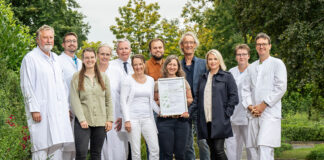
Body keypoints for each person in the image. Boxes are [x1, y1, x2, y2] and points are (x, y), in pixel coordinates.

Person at [20, 25, 74, 159]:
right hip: (41, 111)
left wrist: (66, 107)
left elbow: (63, 86)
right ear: (38, 40)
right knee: (41, 147)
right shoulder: (31, 58)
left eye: (51, 37)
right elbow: (26, 85)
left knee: (57, 146)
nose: (49, 40)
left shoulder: (55, 59)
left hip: (57, 111)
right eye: (45, 37)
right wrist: (34, 109)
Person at [241, 33, 287, 160]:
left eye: (264, 44)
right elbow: (245, 90)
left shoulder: (277, 64)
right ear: (256, 47)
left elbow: (281, 87)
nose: (261, 46)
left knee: (265, 147)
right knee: (253, 149)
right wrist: (250, 106)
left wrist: (263, 105)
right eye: (259, 44)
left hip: (270, 113)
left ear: (270, 46)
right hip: (254, 114)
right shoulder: (251, 68)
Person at [190, 49, 239, 160]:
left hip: (220, 120)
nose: (212, 61)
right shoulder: (203, 78)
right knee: (212, 151)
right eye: (210, 59)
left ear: (219, 60)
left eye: (215, 59)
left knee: (219, 149)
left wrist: (227, 113)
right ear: (207, 62)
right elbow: (197, 99)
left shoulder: (227, 76)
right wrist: (188, 112)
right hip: (205, 120)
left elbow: (234, 97)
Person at [70, 48, 114, 160]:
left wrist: (109, 119)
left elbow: (108, 99)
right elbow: (75, 100)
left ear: (95, 58)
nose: (89, 60)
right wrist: (81, 119)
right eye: (86, 57)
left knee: (96, 153)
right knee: (81, 153)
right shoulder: (76, 77)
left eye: (92, 57)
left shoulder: (104, 77)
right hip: (83, 122)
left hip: (101, 121)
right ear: (83, 60)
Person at [120, 54, 160, 160]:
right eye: (135, 65)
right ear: (132, 66)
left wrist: (160, 111)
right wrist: (127, 120)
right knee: (136, 151)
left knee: (155, 149)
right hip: (133, 120)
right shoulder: (127, 80)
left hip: (148, 119)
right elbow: (123, 101)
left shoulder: (150, 80)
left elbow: (151, 101)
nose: (138, 67)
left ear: (144, 64)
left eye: (140, 64)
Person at [154, 55, 193, 160]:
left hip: (181, 120)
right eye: (169, 64)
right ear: (166, 66)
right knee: (167, 154)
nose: (172, 67)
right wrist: (163, 105)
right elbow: (154, 101)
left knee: (181, 154)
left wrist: (180, 103)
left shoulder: (183, 82)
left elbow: (190, 99)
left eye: (174, 65)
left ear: (178, 67)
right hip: (165, 121)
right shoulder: (158, 83)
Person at [179, 32, 210, 160]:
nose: (188, 45)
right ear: (182, 45)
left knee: (203, 142)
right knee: (186, 143)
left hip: (200, 107)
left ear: (195, 45)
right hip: (183, 107)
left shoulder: (204, 64)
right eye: (186, 42)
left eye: (191, 42)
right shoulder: (177, 65)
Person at [225, 44, 257, 160]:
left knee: (251, 148)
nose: (241, 57)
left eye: (244, 54)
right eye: (239, 54)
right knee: (231, 148)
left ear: (248, 56)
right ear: (235, 57)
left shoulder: (255, 70)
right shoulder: (231, 72)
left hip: (249, 116)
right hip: (233, 116)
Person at [97, 44, 129, 160]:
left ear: (110, 55)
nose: (105, 57)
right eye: (102, 54)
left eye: (107, 54)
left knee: (118, 146)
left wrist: (121, 115)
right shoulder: (92, 71)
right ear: (97, 55)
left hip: (116, 114)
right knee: (101, 146)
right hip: (97, 114)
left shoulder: (117, 71)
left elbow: (125, 94)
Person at [109, 39, 134, 159]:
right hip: (117, 112)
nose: (124, 51)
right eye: (121, 48)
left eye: (126, 48)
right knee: (120, 146)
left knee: (134, 145)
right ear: (117, 51)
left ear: (130, 50)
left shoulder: (136, 64)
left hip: (134, 111)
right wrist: (120, 114)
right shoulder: (111, 66)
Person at [58, 32, 81, 159]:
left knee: (79, 146)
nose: (72, 43)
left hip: (81, 109)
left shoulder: (82, 62)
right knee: (66, 147)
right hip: (66, 108)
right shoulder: (58, 61)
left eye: (74, 41)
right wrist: (65, 108)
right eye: (68, 41)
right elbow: (59, 86)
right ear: (63, 44)